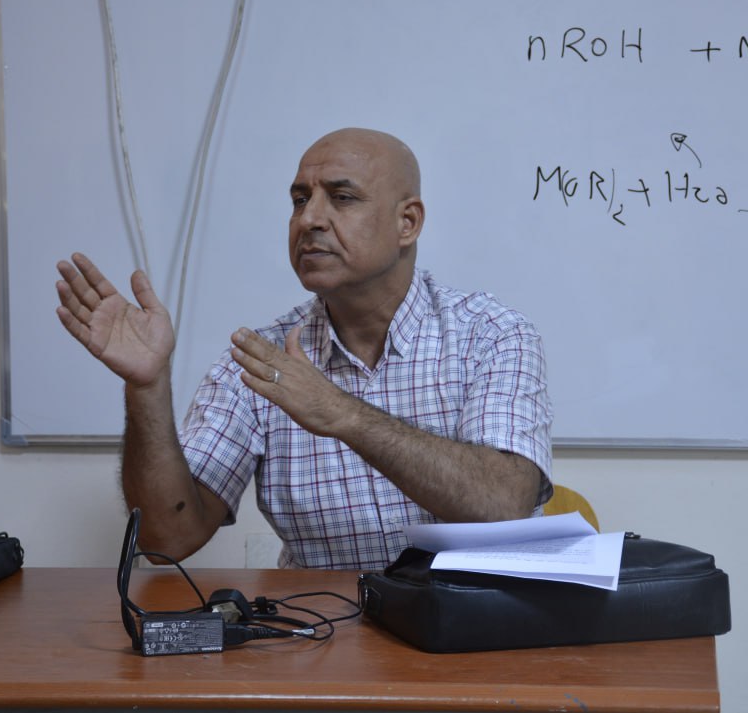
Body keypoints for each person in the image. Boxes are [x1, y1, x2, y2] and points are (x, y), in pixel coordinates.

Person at [55, 127, 553, 569]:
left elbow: (502, 504)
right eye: (299, 200)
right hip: (326, 631)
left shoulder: (490, 334)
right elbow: (168, 538)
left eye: (342, 198)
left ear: (408, 222)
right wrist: (147, 387)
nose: (309, 218)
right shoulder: (259, 361)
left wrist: (343, 415)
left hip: (473, 628)